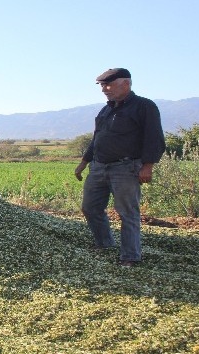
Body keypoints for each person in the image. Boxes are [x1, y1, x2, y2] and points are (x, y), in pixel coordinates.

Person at [74, 68, 166, 267]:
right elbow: (97, 138)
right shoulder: (106, 110)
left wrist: (148, 166)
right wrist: (84, 162)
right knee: (90, 207)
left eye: (108, 85)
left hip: (125, 167)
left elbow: (154, 138)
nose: (104, 89)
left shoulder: (144, 106)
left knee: (127, 212)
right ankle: (105, 243)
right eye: (102, 86)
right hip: (99, 167)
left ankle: (130, 256)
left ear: (126, 83)